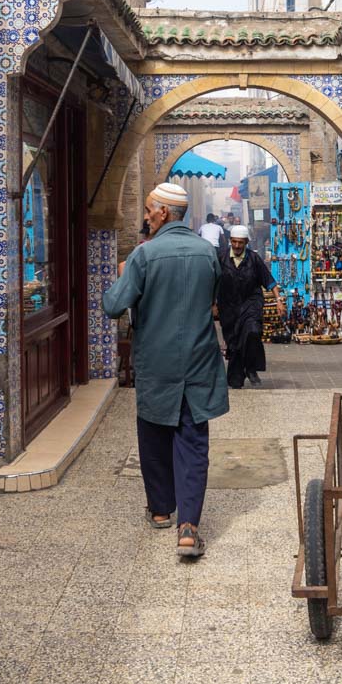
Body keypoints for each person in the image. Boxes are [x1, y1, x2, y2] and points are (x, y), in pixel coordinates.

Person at [104, 182, 227, 558]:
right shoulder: (208, 253)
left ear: (162, 213)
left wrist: (124, 273)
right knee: (192, 441)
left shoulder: (145, 255)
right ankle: (188, 526)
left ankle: (160, 510)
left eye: (146, 210)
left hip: (156, 364)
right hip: (199, 361)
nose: (144, 217)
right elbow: (211, 300)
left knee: (154, 437)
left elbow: (113, 305)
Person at [216, 225, 278, 388]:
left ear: (246, 242)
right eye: (234, 242)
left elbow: (268, 280)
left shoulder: (253, 259)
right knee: (234, 343)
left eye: (240, 243)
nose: (237, 246)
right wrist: (211, 304)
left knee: (252, 332)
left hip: (251, 304)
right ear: (230, 241)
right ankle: (237, 375)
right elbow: (211, 281)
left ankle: (251, 368)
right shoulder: (221, 258)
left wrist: (279, 300)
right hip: (229, 308)